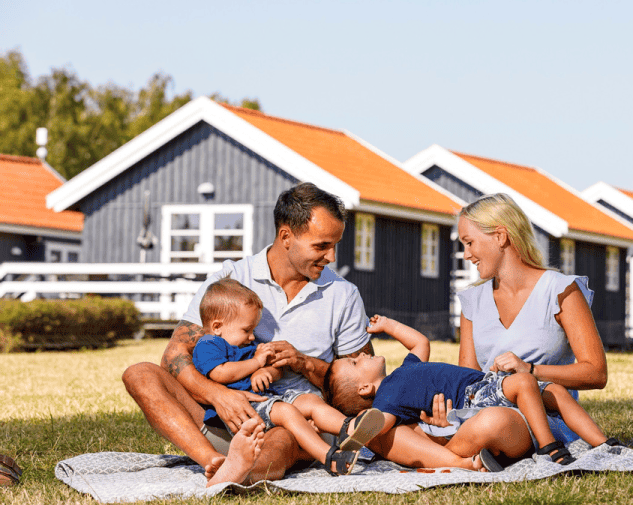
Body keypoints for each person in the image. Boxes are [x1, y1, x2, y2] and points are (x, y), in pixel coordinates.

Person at [122, 182, 375, 485]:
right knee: (139, 374)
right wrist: (219, 396)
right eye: (321, 246)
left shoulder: (343, 295)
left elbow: (362, 392)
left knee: (282, 435)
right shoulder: (231, 279)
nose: (331, 257)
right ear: (286, 237)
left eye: (335, 245)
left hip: (291, 427)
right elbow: (174, 356)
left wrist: (304, 363)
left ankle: (241, 476)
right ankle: (213, 462)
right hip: (217, 418)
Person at [367, 192, 611, 466]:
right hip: (484, 406)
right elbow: (468, 377)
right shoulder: (472, 301)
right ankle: (461, 457)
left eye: (470, 242)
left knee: (492, 423)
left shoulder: (561, 290)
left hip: (543, 414)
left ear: (500, 236)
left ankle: (440, 457)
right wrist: (446, 414)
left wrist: (531, 371)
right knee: (384, 428)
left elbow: (596, 373)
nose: (466, 254)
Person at [328, 315, 610, 469]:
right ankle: (550, 449)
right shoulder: (387, 397)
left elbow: (420, 344)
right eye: (354, 362)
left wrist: (388, 325)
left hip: (486, 383)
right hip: (475, 398)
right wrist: (358, 433)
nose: (361, 354)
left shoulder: (405, 369)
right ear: (364, 388)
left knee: (556, 391)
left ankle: (604, 443)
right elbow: (381, 425)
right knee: (524, 383)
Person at [193, 277, 384, 482]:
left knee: (310, 401)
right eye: (246, 330)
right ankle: (330, 457)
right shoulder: (209, 344)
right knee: (286, 412)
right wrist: (256, 364)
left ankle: (349, 428)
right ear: (217, 326)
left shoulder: (244, 347)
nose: (251, 337)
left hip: (268, 397)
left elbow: (276, 370)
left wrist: (265, 372)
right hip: (243, 406)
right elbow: (221, 373)